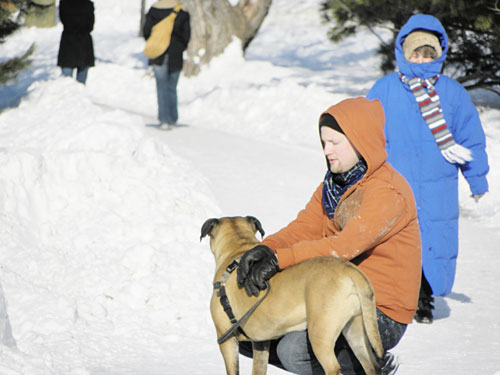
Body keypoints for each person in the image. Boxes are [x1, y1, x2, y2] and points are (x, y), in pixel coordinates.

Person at [237, 97, 422, 375]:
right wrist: (266, 249)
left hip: (378, 307)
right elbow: (304, 227)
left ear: (360, 140)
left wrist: (279, 260)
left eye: (335, 142)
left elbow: (343, 247)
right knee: (249, 331)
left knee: (293, 351)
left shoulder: (387, 192)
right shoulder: (334, 184)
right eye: (324, 142)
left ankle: (368, 367)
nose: (327, 150)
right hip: (331, 291)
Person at [366, 14, 489, 324]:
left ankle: (425, 300)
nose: (422, 59)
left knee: (432, 243)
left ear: (440, 55)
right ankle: (393, 298)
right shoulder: (385, 89)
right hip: (395, 184)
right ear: (403, 52)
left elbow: (469, 137)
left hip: (438, 186)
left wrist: (477, 179)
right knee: (394, 240)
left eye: (429, 53)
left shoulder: (451, 93)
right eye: (416, 52)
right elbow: (366, 135)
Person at [143, 0, 190, 130]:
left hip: (158, 53)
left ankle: (163, 119)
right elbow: (186, 35)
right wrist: (179, 47)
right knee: (172, 87)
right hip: (176, 54)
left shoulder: (154, 9)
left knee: (161, 86)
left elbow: (146, 31)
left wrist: (157, 43)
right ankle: (173, 118)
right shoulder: (181, 10)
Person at [57, 0, 95, 85]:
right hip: (84, 44)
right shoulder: (88, 4)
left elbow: (63, 20)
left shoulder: (64, 3)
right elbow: (90, 26)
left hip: (68, 43)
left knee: (65, 83)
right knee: (81, 84)